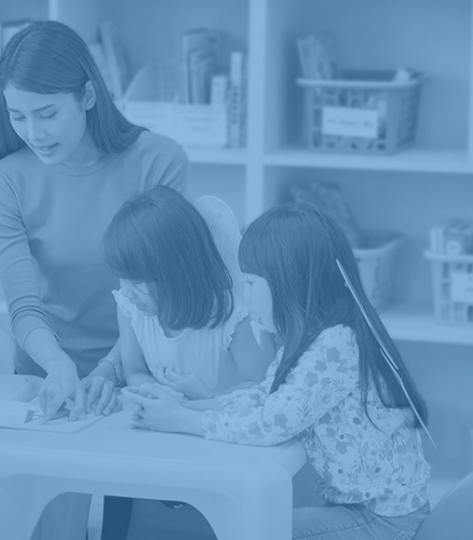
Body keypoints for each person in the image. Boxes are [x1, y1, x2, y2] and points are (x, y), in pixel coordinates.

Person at [127, 203, 432, 540]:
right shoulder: (308, 338)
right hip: (365, 511)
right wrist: (188, 406)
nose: (246, 297)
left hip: (384, 521)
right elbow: (267, 395)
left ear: (291, 282)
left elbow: (272, 423)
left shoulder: (335, 344)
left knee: (255, 529)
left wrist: (181, 420)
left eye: (252, 283)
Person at [0, 20, 189, 423]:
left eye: (47, 113)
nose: (33, 133)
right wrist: (58, 366)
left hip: (144, 369)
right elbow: (23, 306)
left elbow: (159, 291)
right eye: (18, 117)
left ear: (88, 96)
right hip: (46, 373)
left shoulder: (159, 162)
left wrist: (110, 369)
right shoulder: (5, 180)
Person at [102, 185, 275, 539]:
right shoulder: (132, 309)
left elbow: (260, 389)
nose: (128, 291)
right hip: (164, 436)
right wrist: (151, 393)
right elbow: (134, 370)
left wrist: (195, 399)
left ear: (177, 270)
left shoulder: (229, 315)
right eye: (123, 278)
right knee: (119, 486)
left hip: (219, 440)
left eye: (137, 280)